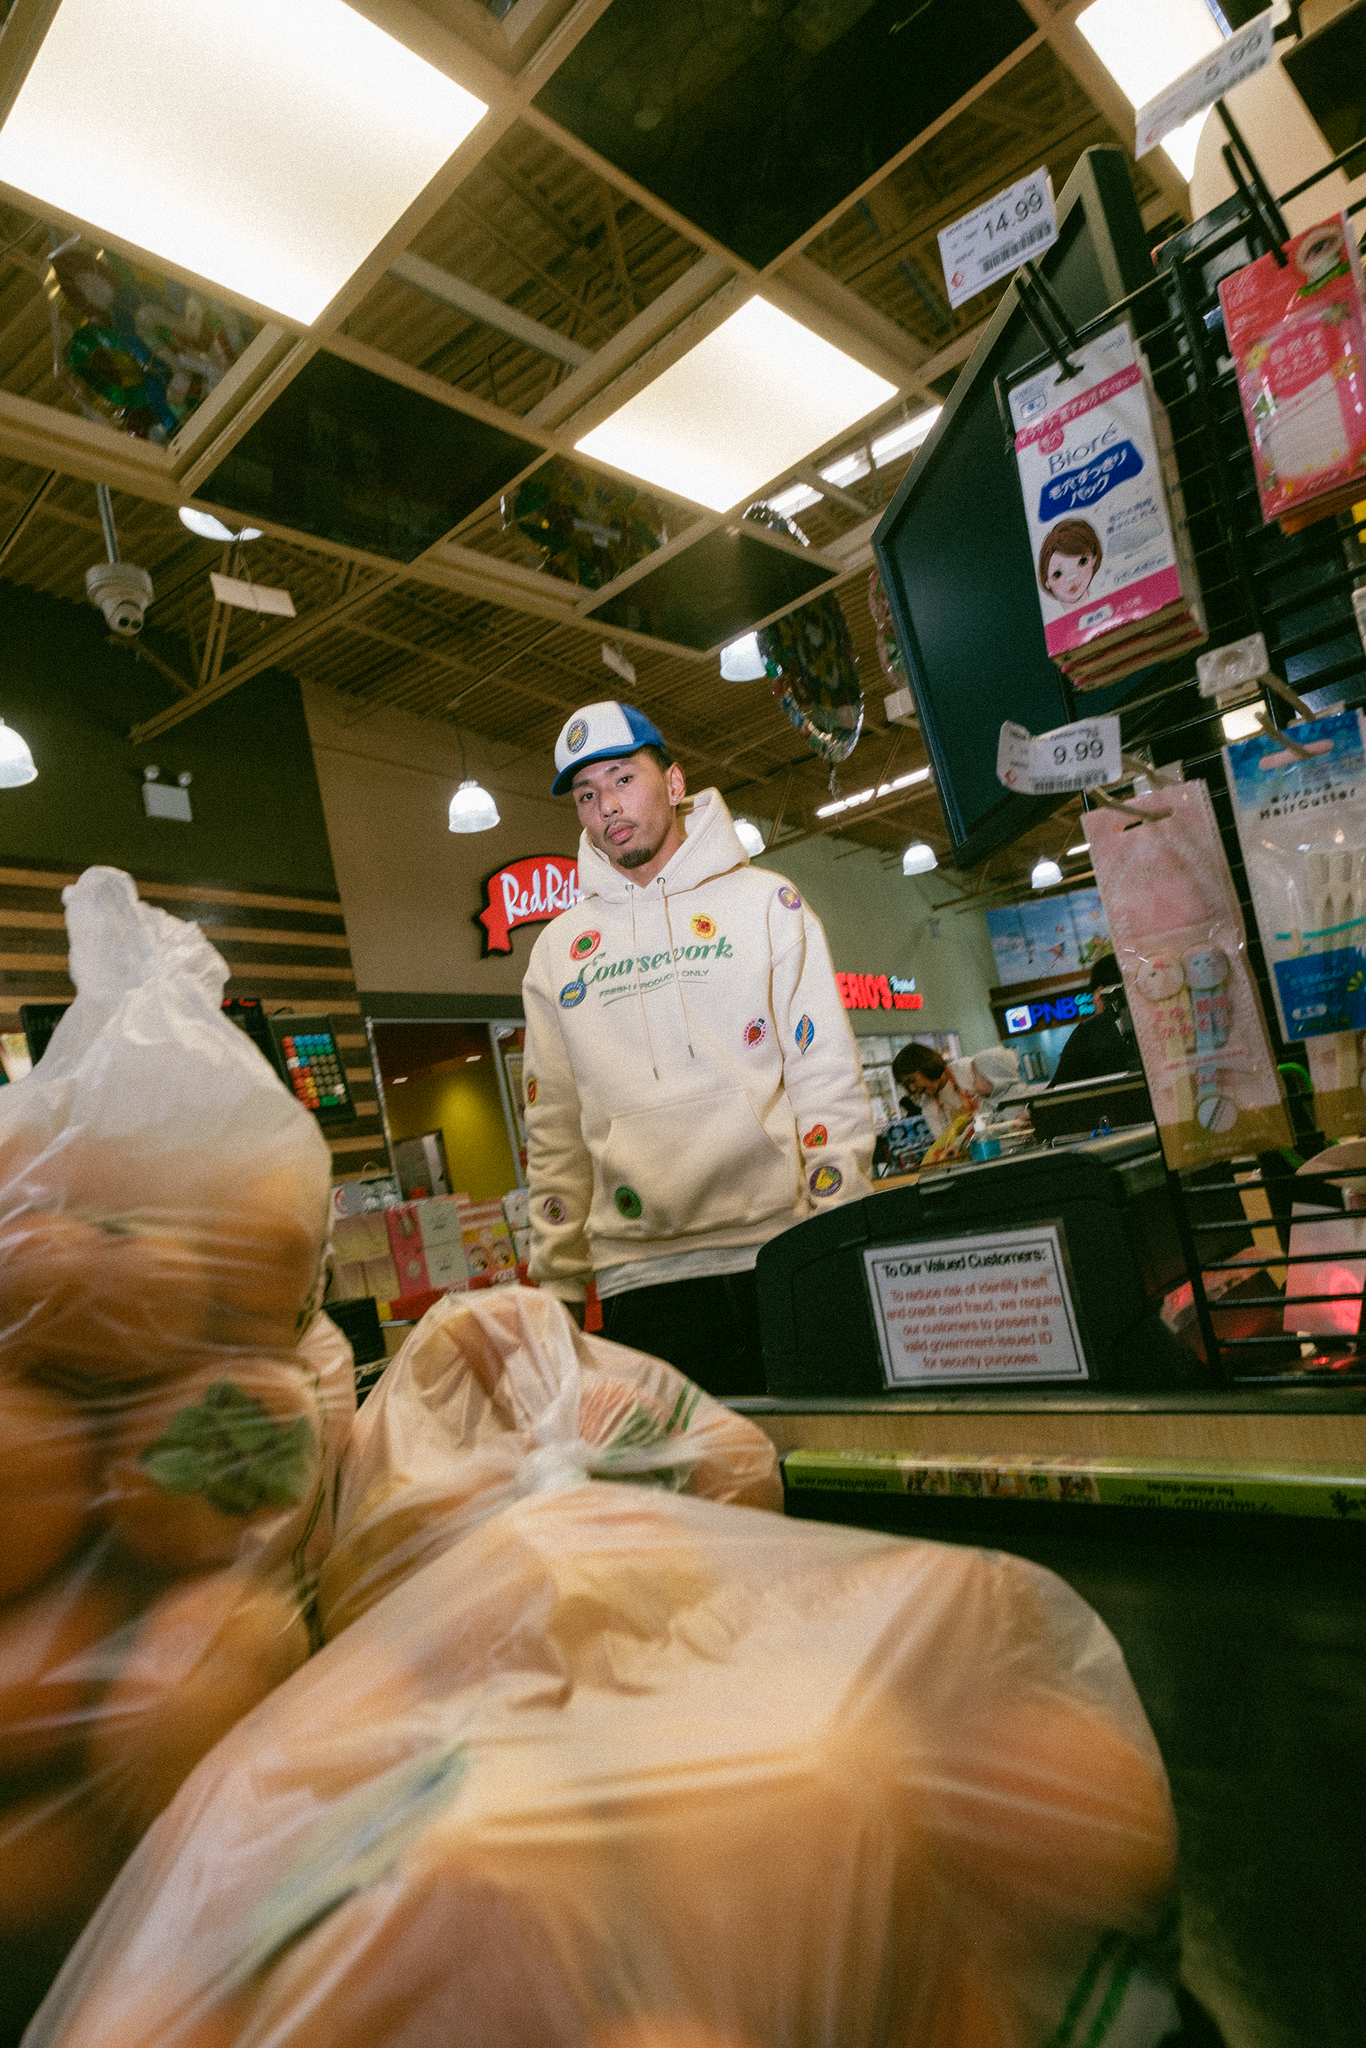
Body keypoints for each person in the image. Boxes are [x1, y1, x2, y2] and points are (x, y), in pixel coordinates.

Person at [521, 699, 876, 1396]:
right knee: (691, 1497)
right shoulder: (557, 952)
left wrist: (840, 1234)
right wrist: (557, 1281)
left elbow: (826, 1077)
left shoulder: (768, 904)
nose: (606, 808)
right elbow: (553, 1127)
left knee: (812, 1481)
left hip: (782, 1257)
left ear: (676, 782)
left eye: (623, 779)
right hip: (640, 1284)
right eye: (587, 795)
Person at [891, 1040, 1019, 1139]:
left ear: (927, 1066)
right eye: (907, 1086)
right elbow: (945, 1143)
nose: (913, 1089)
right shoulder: (929, 1108)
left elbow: (1010, 1094)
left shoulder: (969, 1069)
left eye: (912, 1081)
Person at [1049, 954, 1139, 1088]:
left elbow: (1057, 1092)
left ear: (1100, 992)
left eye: (1093, 993)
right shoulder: (1151, 1021)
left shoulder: (1090, 1030)